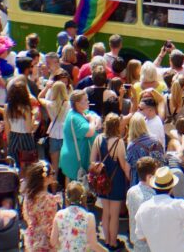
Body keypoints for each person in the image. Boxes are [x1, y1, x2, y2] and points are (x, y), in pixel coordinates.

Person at [90, 113, 129, 249]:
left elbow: (92, 161)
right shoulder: (119, 142)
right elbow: (123, 165)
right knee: (115, 214)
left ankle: (107, 240)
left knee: (105, 212)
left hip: (102, 180)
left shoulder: (98, 139)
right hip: (116, 180)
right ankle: (113, 242)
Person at [51, 181, 104, 252]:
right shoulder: (88, 217)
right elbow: (93, 244)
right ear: (83, 198)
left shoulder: (59, 215)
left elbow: (53, 241)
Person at [60, 89, 99, 182]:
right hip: (75, 162)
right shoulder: (75, 118)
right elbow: (90, 132)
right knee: (75, 189)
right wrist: (92, 121)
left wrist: (95, 119)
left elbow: (92, 114)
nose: (88, 102)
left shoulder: (79, 112)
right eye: (85, 100)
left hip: (78, 158)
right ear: (77, 104)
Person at [23, 161, 60, 252]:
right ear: (45, 178)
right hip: (46, 242)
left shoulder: (28, 196)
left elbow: (26, 216)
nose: (53, 175)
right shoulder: (50, 200)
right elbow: (51, 223)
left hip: (32, 239)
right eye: (52, 173)